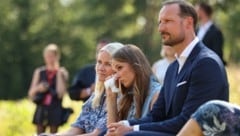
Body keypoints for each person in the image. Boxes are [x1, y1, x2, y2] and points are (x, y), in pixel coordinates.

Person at [106, 1, 229, 136]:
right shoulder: (172, 68)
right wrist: (124, 124)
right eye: (160, 22)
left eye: (168, 21)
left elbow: (188, 122)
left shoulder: (206, 63)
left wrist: (132, 130)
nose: (160, 28)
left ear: (188, 23)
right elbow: (156, 116)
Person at [55, 42, 124, 136]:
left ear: (119, 68)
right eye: (99, 62)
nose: (101, 68)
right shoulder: (96, 95)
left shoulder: (121, 98)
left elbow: (96, 134)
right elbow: (75, 129)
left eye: (108, 64)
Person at [106, 44, 161, 125]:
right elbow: (111, 131)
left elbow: (154, 129)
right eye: (114, 72)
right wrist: (111, 97)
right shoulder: (127, 97)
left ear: (135, 65)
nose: (116, 76)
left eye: (120, 67)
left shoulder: (156, 94)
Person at [28, 43, 69, 134]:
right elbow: (31, 93)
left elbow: (60, 94)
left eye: (51, 56)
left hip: (55, 108)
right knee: (39, 133)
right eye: (47, 56)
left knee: (54, 133)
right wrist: (39, 88)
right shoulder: (39, 72)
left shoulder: (62, 72)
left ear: (57, 57)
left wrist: (58, 73)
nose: (49, 59)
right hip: (41, 108)